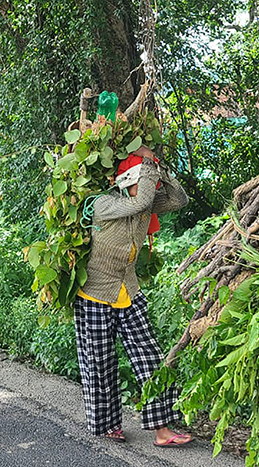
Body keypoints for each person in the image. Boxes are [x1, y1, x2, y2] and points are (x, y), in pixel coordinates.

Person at [74, 143, 192, 447]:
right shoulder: (103, 204)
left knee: (150, 358)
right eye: (145, 178)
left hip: (129, 290)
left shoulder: (144, 204)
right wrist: (147, 163)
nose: (150, 188)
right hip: (96, 294)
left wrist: (158, 166)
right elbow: (139, 204)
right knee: (100, 363)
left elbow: (180, 199)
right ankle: (106, 425)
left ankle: (162, 430)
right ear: (128, 181)